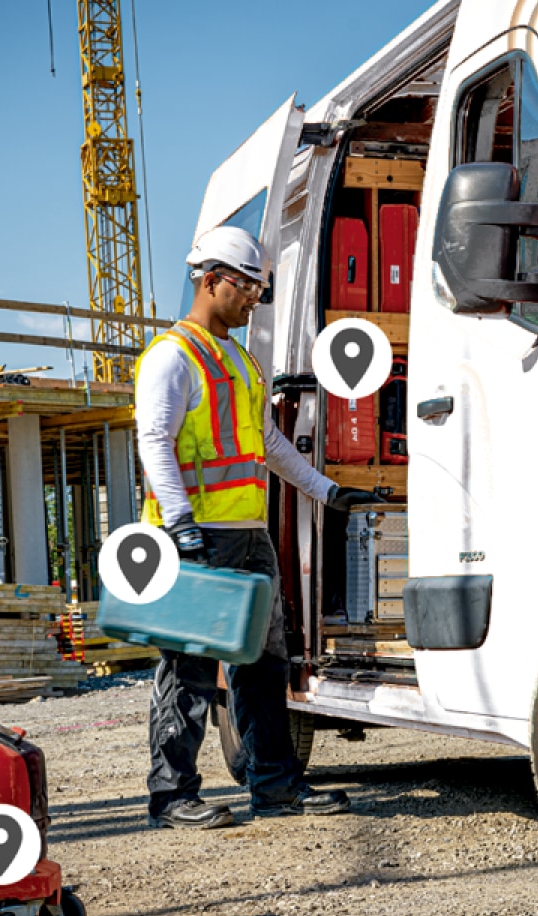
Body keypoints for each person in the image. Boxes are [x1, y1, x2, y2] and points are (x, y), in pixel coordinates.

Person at [136, 224, 383, 829]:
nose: (253, 299)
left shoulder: (241, 361)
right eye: (246, 287)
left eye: (258, 290)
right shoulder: (173, 356)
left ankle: (273, 787)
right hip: (195, 537)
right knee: (188, 666)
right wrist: (180, 523)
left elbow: (267, 443)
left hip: (249, 537)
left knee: (264, 666)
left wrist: (326, 490)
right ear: (210, 280)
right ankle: (172, 796)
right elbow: (154, 441)